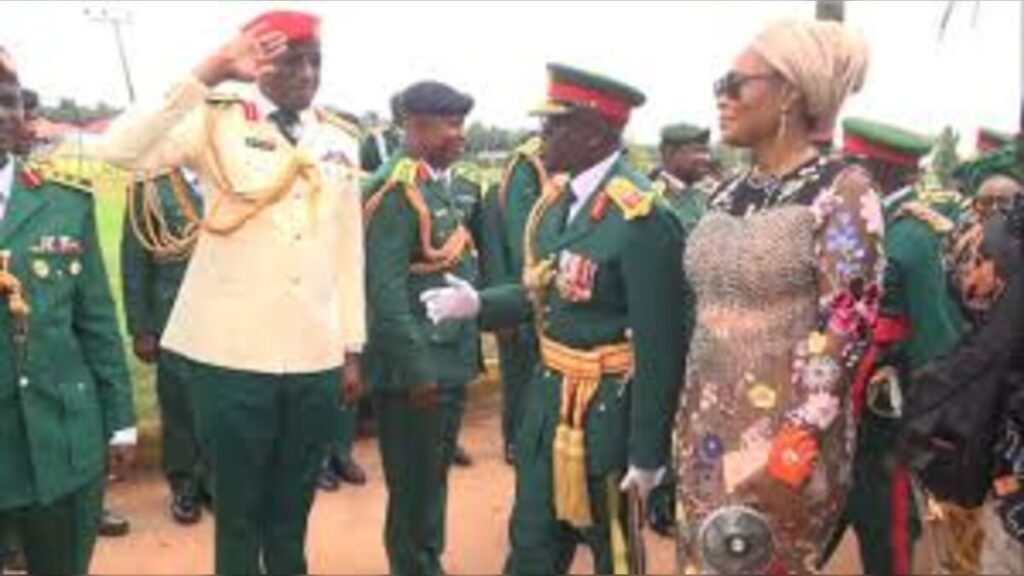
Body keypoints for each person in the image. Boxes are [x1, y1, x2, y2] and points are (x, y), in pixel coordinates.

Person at [64, 10, 367, 574]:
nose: (306, 72)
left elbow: (348, 254)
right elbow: (115, 152)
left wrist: (351, 347)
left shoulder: (341, 140)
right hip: (231, 359)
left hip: (313, 357)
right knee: (238, 511)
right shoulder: (214, 116)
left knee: (293, 509)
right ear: (258, 66)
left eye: (315, 61)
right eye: (290, 59)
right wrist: (208, 71)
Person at [422, 63, 688, 574]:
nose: (540, 136)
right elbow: (545, 290)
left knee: (612, 548)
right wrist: (479, 304)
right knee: (531, 543)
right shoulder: (557, 204)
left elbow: (661, 347)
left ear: (592, 133)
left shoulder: (641, 218)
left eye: (553, 126)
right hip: (548, 404)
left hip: (610, 412)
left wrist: (650, 451)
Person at [672, 20, 878, 574]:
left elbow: (848, 329)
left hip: (781, 447)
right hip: (703, 434)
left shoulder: (843, 192)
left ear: (789, 91)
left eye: (735, 82)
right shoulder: (729, 190)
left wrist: (793, 450)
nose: (722, 95)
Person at [0, 46, 137, 575]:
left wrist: (121, 421)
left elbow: (97, 321)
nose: (4, 114)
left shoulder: (63, 202)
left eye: (11, 102)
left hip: (58, 434)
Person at [831, 117, 970, 575]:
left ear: (880, 172)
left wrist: (934, 424)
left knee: (884, 530)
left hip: (882, 415)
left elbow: (935, 336)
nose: (840, 171)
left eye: (851, 163)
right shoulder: (846, 218)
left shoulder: (914, 235)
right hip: (832, 404)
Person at [361, 80, 480, 576]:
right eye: (450, 125)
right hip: (418, 372)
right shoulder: (398, 189)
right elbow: (384, 294)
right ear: (415, 126)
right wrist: (417, 371)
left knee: (431, 479)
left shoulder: (433, 184)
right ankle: (414, 566)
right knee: (414, 485)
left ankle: (428, 562)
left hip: (444, 361)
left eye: (460, 124)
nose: (460, 136)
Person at [121, 167, 208, 524]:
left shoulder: (233, 171)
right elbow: (135, 259)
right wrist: (141, 327)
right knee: (180, 405)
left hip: (231, 313)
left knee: (226, 401)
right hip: (173, 313)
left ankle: (215, 482)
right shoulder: (150, 188)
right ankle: (185, 484)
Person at [478, 133, 545, 466]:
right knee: (517, 374)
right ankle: (515, 440)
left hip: (538, 300)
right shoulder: (496, 197)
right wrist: (499, 315)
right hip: (511, 301)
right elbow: (492, 257)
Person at [650, 122, 714, 229]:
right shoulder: (650, 196)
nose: (707, 158)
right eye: (698, 150)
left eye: (707, 152)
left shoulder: (707, 194)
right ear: (669, 153)